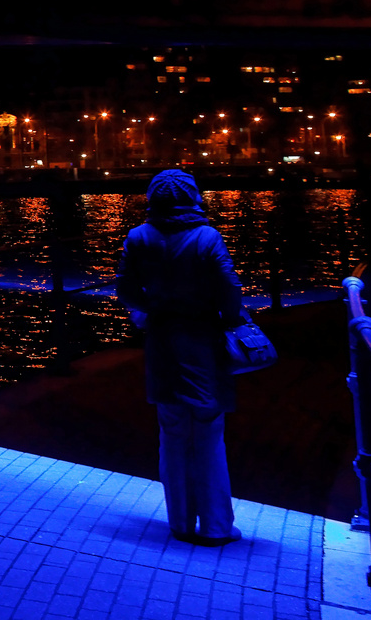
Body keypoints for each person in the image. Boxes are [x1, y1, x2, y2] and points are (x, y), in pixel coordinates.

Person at [117, 169, 245, 545]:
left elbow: (125, 288)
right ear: (193, 196)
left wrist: (151, 311)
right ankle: (217, 526)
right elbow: (230, 290)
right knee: (208, 433)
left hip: (162, 343)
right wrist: (227, 318)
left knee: (171, 433)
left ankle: (181, 522)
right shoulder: (207, 237)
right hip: (202, 342)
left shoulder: (138, 237)